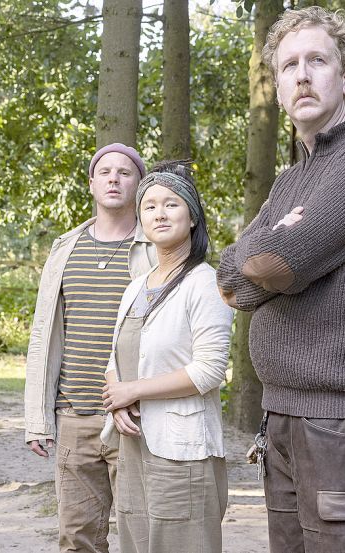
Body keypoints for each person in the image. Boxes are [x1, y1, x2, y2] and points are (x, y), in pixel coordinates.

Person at [216, 7, 345, 552]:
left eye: (317, 61)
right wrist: (269, 254)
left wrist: (274, 253)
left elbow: (276, 262)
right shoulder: (292, 179)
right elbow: (231, 280)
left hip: (343, 419)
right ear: (278, 87)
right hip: (282, 410)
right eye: (288, 66)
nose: (302, 75)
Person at [24, 143, 155, 553]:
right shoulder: (66, 248)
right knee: (77, 540)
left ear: (139, 184)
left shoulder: (155, 250)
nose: (114, 178)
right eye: (105, 172)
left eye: (125, 172)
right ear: (91, 184)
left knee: (145, 536)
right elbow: (43, 336)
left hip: (136, 419)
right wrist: (37, 418)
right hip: (74, 416)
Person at [101, 161, 233, 553]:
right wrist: (116, 401)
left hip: (182, 448)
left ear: (192, 216)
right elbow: (115, 358)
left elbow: (209, 371)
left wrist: (133, 391)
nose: (159, 213)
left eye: (171, 204)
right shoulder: (136, 286)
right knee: (136, 542)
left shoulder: (205, 283)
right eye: (149, 206)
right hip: (134, 444)